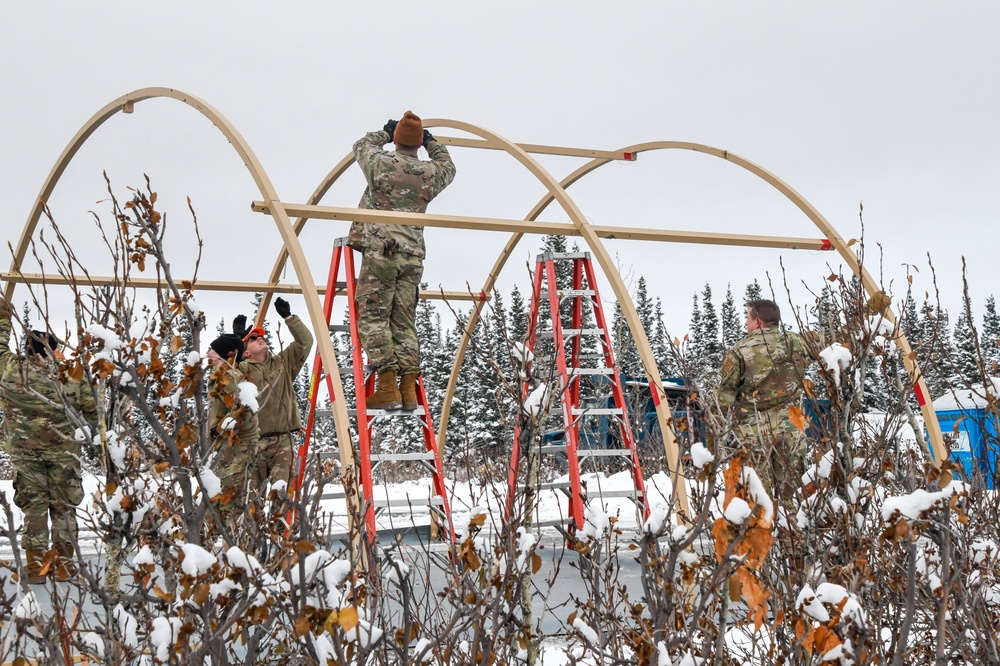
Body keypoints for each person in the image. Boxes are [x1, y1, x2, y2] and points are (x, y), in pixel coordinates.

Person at [347, 110, 457, 410]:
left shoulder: (382, 164)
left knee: (373, 315)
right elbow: (448, 165)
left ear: (396, 141)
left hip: (383, 250)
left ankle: (387, 387)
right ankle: (408, 388)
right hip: (413, 255)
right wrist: (431, 142)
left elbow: (361, 146)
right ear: (419, 144)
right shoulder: (429, 174)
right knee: (403, 319)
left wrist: (384, 132)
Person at [0, 299, 96, 584]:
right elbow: (93, 412)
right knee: (65, 509)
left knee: (35, 511)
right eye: (57, 348)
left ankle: (36, 569)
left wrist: (4, 316)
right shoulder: (71, 376)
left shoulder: (10, 371)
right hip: (64, 455)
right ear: (50, 351)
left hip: (25, 455)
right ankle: (64, 567)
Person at [715, 299, 813, 500]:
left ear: (758, 321)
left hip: (753, 432)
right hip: (792, 428)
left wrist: (716, 427)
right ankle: (791, 530)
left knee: (758, 499)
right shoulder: (797, 342)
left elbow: (725, 397)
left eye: (748, 319)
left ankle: (764, 530)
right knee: (793, 497)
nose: (745, 324)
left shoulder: (740, 351)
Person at [233, 297, 313, 487]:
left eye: (261, 336)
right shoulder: (241, 370)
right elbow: (225, 376)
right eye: (253, 338)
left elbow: (305, 342)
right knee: (251, 501)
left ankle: (283, 519)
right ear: (246, 352)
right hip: (252, 443)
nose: (260, 338)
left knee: (283, 496)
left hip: (282, 441)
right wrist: (236, 343)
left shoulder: (282, 364)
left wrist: (288, 317)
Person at [206, 333, 262, 533]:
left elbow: (244, 409)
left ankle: (239, 554)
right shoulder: (222, 375)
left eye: (211, 350)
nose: (207, 353)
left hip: (238, 450)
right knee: (221, 504)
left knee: (232, 507)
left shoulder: (227, 376)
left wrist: (218, 428)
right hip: (228, 450)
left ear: (223, 355)